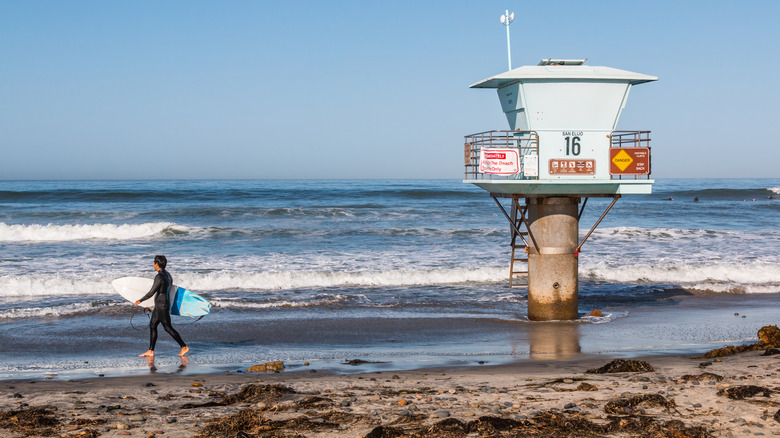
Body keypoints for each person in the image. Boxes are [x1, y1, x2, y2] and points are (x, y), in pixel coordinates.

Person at [135, 255, 189, 358]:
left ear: (157, 264)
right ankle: (151, 350)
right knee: (153, 326)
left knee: (168, 328)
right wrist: (150, 305)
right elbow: (165, 292)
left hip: (162, 306)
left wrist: (140, 300)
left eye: (154, 263)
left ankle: (184, 346)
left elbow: (152, 292)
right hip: (162, 305)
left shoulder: (159, 276)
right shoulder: (168, 275)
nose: (153, 265)